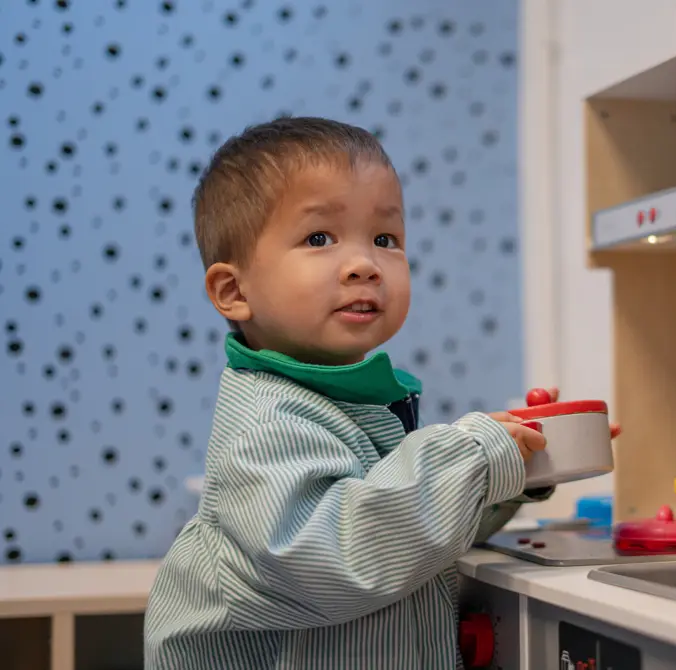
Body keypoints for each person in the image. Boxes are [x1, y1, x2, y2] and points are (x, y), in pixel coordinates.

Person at [143, 117, 617, 669]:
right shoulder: (268, 423)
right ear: (233, 290)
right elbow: (339, 559)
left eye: (385, 239)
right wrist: (472, 456)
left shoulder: (351, 408)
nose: (364, 265)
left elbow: (408, 540)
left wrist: (518, 468)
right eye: (319, 238)